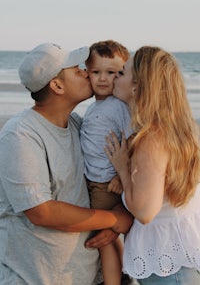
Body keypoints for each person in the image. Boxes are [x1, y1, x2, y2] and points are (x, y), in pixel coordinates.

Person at [0, 43, 133, 285]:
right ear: (57, 85)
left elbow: (107, 174)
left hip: (92, 276)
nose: (86, 72)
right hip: (38, 279)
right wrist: (114, 219)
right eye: (76, 69)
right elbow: (41, 211)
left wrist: (122, 212)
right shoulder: (20, 134)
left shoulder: (78, 125)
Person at [97, 46, 200, 284]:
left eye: (121, 73)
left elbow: (145, 212)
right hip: (179, 253)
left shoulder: (152, 139)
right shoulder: (176, 129)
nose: (114, 77)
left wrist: (122, 167)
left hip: (169, 265)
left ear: (137, 87)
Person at [80, 40, 133, 285]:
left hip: (106, 184)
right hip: (95, 180)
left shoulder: (119, 106)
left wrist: (121, 176)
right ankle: (122, 278)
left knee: (104, 241)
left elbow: (134, 139)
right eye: (96, 72)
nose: (102, 79)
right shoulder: (95, 106)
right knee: (109, 239)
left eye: (111, 73)